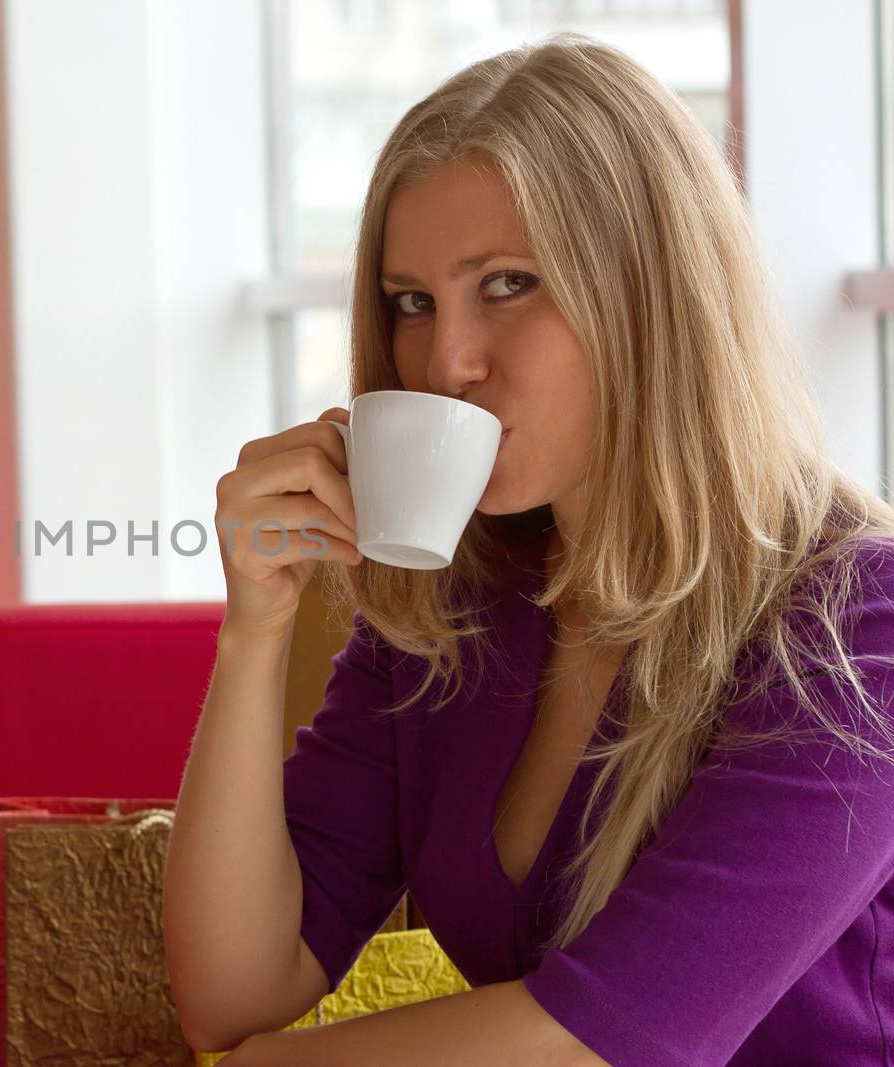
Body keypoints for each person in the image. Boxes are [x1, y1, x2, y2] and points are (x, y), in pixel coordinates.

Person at [164, 34, 894, 1067]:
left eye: (506, 284)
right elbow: (234, 992)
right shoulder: (454, 613)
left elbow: (616, 1036)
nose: (444, 361)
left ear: (649, 295)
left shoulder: (856, 621)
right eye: (412, 302)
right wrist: (254, 630)